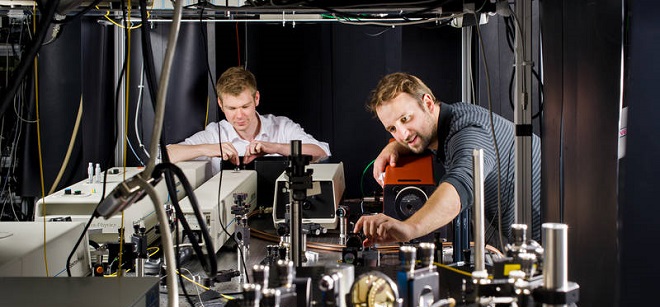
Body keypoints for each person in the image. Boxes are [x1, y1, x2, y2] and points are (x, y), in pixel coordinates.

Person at [354, 72, 541, 249]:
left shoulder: (469, 131)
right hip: (522, 237)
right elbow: (416, 137)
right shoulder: (451, 118)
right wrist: (395, 146)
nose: (402, 133)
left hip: (548, 243)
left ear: (427, 103)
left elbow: (461, 184)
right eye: (392, 129)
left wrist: (409, 229)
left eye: (405, 118)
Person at [167, 66, 330, 174]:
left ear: (256, 98)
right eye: (231, 108)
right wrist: (207, 149)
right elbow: (164, 156)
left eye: (245, 107)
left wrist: (274, 147)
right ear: (220, 104)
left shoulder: (281, 126)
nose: (239, 116)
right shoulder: (214, 134)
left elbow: (321, 152)